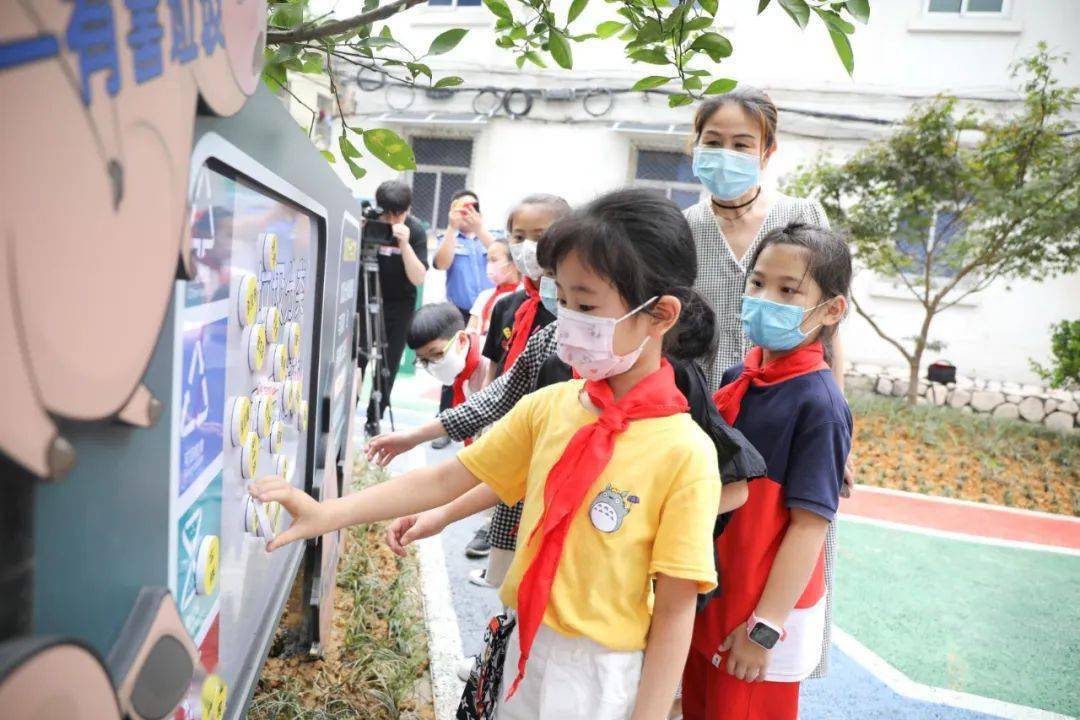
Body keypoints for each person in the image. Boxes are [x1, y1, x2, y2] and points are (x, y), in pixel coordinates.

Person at [252, 189, 744, 720]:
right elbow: (449, 479)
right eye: (565, 301)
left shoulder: (685, 451)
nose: (567, 321)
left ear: (660, 314)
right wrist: (326, 514)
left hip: (603, 678)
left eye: (587, 304)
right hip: (525, 652)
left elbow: (674, 610)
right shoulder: (554, 406)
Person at [685, 88, 852, 686]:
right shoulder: (685, 230)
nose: (725, 153)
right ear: (694, 146)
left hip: (792, 412)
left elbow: (832, 329)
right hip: (714, 417)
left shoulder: (799, 216)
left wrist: (842, 434)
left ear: (767, 150)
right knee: (707, 562)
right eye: (712, 141)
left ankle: (769, 649)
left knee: (785, 540)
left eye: (742, 143)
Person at [358, 180, 429, 438]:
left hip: (399, 307)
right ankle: (349, 408)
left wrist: (405, 245)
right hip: (364, 299)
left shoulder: (415, 230)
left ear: (407, 209)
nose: (393, 219)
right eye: (388, 213)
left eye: (399, 213)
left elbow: (419, 278)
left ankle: (373, 418)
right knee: (359, 358)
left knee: (387, 365)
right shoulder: (368, 223)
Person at [431, 190, 497, 449]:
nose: (465, 212)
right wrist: (451, 227)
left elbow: (506, 259)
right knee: (453, 367)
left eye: (471, 207)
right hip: (458, 312)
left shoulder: (491, 237)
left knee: (487, 369)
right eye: (460, 207)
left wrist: (480, 229)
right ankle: (445, 425)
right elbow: (441, 263)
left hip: (490, 311)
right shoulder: (448, 237)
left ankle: (481, 425)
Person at [408, 303, 487, 416]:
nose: (432, 365)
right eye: (425, 361)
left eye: (437, 354)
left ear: (461, 340)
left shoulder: (491, 365)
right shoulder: (462, 373)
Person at [468, 238, 521, 350]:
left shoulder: (523, 296)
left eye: (494, 260)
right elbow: (471, 329)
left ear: (513, 264)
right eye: (488, 260)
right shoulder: (484, 296)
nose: (490, 265)